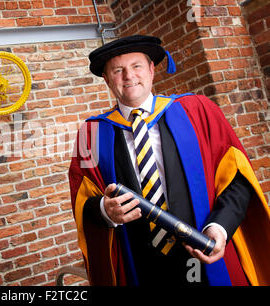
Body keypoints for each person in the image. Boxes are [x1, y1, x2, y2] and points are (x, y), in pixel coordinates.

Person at [68, 35, 270, 286]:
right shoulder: (91, 134)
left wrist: (220, 227)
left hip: (203, 251)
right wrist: (104, 210)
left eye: (136, 66)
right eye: (118, 70)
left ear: (152, 69)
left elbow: (238, 179)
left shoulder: (197, 111)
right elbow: (83, 201)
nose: (129, 76)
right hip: (141, 265)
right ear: (107, 79)